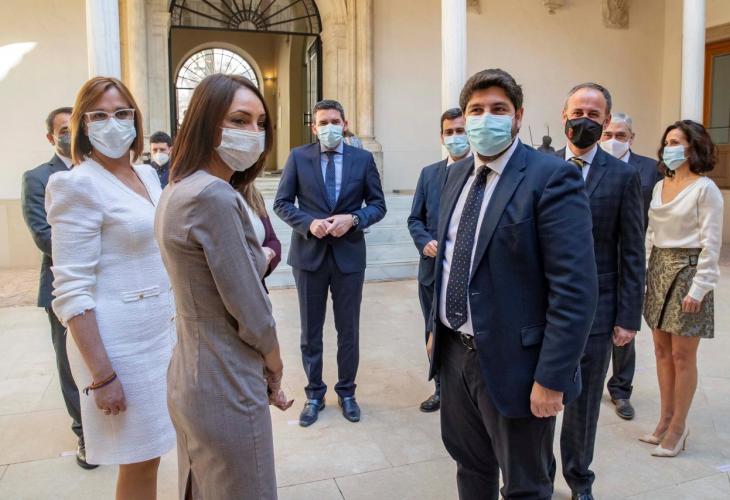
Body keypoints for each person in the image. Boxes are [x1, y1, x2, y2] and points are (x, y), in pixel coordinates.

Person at [428, 68, 598, 500]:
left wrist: (552, 378)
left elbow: (574, 290)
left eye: (498, 109)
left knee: (526, 485)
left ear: (518, 116)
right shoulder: (455, 176)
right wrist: (436, 329)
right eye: (476, 110)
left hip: (519, 366)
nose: (486, 118)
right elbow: (447, 260)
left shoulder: (551, 177)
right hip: (455, 355)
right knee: (470, 467)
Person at [155, 73, 293, 499]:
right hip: (224, 375)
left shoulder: (178, 187)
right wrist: (274, 363)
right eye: (238, 120)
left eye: (260, 123)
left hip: (191, 368)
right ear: (206, 121)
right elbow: (250, 307)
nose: (253, 132)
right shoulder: (213, 195)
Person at [46, 76, 175, 499]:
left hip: (161, 334)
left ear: (135, 119)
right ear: (83, 126)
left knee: (160, 448)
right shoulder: (76, 184)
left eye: (121, 113)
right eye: (98, 116)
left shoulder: (148, 175)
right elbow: (71, 290)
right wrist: (102, 376)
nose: (112, 123)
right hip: (120, 347)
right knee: (140, 459)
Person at [556, 83, 645, 500]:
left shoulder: (624, 176)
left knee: (585, 402)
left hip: (598, 310)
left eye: (594, 115)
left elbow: (632, 251)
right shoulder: (537, 167)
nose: (584, 121)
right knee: (534, 399)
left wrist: (627, 317)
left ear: (606, 121)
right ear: (564, 116)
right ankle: (535, 477)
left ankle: (579, 480)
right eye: (578, 112)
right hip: (540, 309)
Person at [274, 99, 386, 427]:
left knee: (348, 330)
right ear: (314, 127)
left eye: (335, 121)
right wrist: (308, 223)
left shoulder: (362, 160)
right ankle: (314, 394)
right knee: (310, 332)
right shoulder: (298, 157)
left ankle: (347, 392)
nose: (329, 127)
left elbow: (378, 205)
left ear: (345, 124)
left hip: (349, 257)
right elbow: (282, 202)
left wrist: (354, 218)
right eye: (323, 122)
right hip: (309, 257)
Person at [642, 120, 723, 458]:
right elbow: (651, 233)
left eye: (676, 142)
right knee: (661, 351)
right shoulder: (660, 185)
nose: (669, 148)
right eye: (667, 142)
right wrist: (647, 273)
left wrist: (700, 287)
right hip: (660, 269)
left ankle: (678, 427)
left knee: (682, 355)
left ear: (693, 147)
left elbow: (711, 242)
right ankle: (664, 419)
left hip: (689, 273)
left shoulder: (705, 189)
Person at [21, 107, 94, 469]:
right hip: (61, 285)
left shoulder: (98, 172)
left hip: (105, 284)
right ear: (51, 137)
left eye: (75, 127)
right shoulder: (38, 178)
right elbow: (43, 235)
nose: (71, 134)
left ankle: (109, 422)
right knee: (70, 362)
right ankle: (85, 432)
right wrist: (97, 250)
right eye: (63, 129)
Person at [600, 111, 663, 420]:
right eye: (608, 135)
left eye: (620, 135)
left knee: (624, 325)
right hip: (597, 254)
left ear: (632, 138)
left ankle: (621, 389)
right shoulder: (588, 164)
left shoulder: (650, 169)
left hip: (631, 255)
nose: (613, 140)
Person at [407, 107, 470, 413]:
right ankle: (441, 389)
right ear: (442, 137)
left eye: (461, 131)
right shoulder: (429, 174)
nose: (455, 137)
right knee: (433, 331)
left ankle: (466, 392)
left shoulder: (480, 173)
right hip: (432, 271)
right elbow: (415, 219)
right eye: (450, 132)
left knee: (465, 335)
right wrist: (424, 242)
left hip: (467, 273)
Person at [240, 181, 282, 290]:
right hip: (235, 288)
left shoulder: (255, 196)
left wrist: (269, 253)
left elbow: (273, 241)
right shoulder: (220, 196)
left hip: (257, 287)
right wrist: (257, 256)